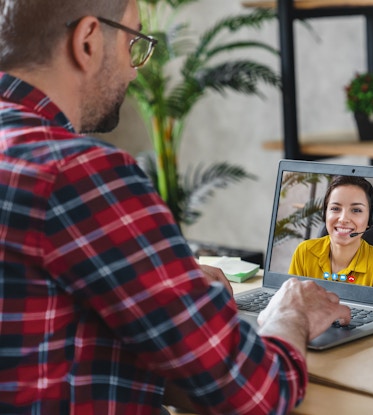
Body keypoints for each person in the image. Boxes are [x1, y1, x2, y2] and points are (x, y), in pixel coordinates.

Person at [0, 1, 351, 414]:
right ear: (88, 41)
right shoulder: (79, 173)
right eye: (133, 42)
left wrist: (162, 287)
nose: (135, 69)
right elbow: (257, 395)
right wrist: (291, 312)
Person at [289, 175, 373, 291]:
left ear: (370, 219)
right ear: (325, 214)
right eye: (335, 208)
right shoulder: (304, 253)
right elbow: (291, 304)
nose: (343, 219)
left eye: (356, 210)